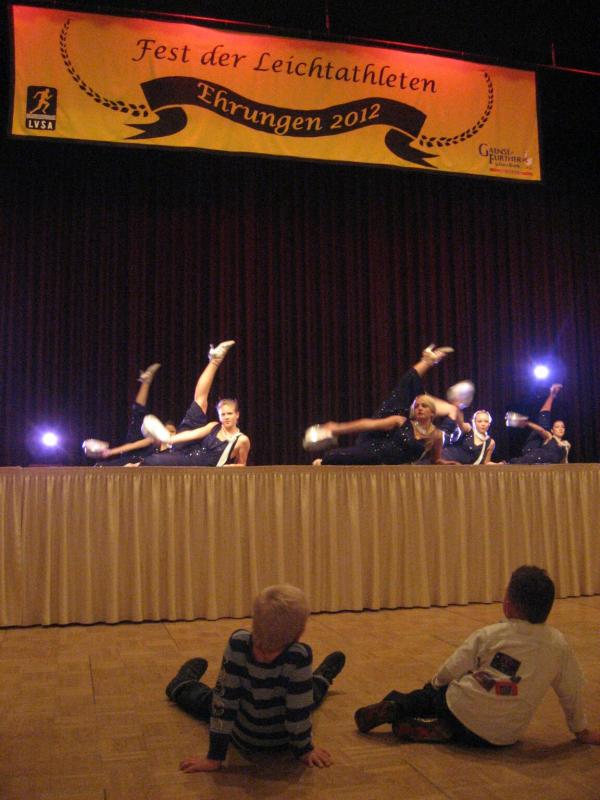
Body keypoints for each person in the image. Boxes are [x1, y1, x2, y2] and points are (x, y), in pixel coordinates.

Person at [354, 565, 600, 747]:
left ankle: (397, 707)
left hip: (460, 708)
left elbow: (453, 667)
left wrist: (435, 684)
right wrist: (581, 730)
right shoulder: (559, 645)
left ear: (508, 605)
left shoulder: (491, 635)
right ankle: (443, 731)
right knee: (469, 722)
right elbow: (571, 691)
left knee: (430, 697)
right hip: (503, 737)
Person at [165, 584, 346, 771]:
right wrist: (305, 750)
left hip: (241, 735)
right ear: (300, 632)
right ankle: (322, 677)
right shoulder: (299, 655)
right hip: (282, 742)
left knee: (209, 699)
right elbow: (297, 714)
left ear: (253, 621)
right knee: (305, 696)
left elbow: (224, 703)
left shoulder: (238, 643)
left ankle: (182, 683)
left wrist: (214, 758)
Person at [312, 344, 457, 465]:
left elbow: (436, 459)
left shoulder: (436, 435)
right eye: (417, 406)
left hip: (393, 465)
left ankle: (427, 361)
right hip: (376, 450)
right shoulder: (402, 421)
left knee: (404, 391)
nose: (419, 408)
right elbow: (368, 424)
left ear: (433, 412)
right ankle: (427, 361)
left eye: (424, 406)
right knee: (333, 456)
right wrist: (338, 428)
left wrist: (443, 462)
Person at [92, 362, 176, 465]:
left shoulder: (176, 451)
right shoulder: (153, 441)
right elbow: (133, 445)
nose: (168, 433)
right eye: (166, 430)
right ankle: (146, 381)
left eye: (172, 431)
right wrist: (110, 452)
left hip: (143, 465)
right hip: (132, 458)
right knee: (138, 418)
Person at [509, 384, 570, 464]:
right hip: (532, 460)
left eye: (562, 427)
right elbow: (541, 430)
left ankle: (552, 396)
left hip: (548, 466)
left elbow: (564, 461)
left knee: (544, 419)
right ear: (552, 430)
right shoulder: (550, 437)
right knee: (544, 421)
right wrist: (527, 423)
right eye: (557, 427)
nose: (560, 429)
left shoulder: (566, 445)